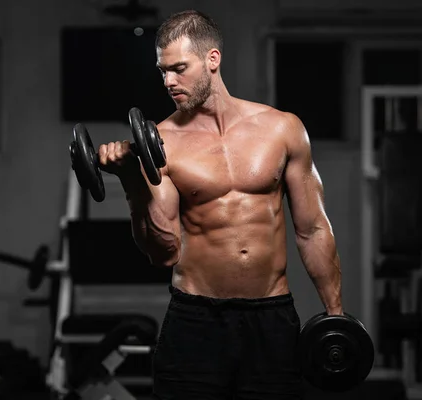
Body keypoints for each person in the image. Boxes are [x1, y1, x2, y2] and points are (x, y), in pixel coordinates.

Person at [97, 9, 343, 400]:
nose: (168, 81)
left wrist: (335, 313)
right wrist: (131, 181)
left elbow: (312, 228)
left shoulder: (283, 129)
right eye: (162, 71)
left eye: (178, 68)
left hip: (271, 317)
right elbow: (164, 252)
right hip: (195, 320)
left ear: (213, 59)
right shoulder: (161, 144)